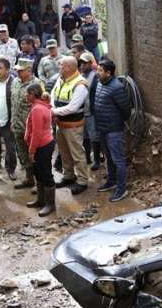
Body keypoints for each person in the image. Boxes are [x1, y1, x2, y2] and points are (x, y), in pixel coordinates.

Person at [51, 56, 90, 195]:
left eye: (61, 65)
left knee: (77, 153)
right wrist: (53, 109)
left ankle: (82, 181)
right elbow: (53, 95)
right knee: (64, 152)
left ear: (69, 67)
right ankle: (68, 176)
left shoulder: (80, 84)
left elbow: (73, 107)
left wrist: (53, 112)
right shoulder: (61, 79)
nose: (59, 68)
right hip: (60, 124)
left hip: (73, 126)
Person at [94, 59, 130, 202]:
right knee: (109, 158)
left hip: (114, 130)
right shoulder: (100, 83)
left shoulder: (117, 87)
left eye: (100, 71)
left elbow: (126, 109)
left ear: (108, 73)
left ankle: (121, 189)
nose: (97, 73)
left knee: (118, 160)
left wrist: (116, 122)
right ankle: (111, 181)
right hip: (103, 129)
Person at [11, 58, 44, 189]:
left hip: (31, 127)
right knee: (23, 154)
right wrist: (12, 121)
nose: (18, 72)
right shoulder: (15, 82)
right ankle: (29, 178)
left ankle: (39, 182)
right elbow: (13, 103)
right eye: (17, 70)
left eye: (21, 70)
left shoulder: (38, 84)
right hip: (18, 126)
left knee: (35, 155)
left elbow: (41, 106)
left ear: (29, 70)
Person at [24, 83, 56, 216]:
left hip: (42, 145)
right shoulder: (41, 105)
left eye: (27, 93)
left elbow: (36, 132)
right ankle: (40, 200)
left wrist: (31, 151)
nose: (25, 96)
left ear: (33, 94)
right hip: (43, 143)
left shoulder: (37, 108)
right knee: (38, 172)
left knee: (45, 173)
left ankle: (50, 204)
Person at [78, 52, 103, 171]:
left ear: (90, 63)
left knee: (94, 136)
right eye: (81, 63)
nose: (82, 65)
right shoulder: (79, 76)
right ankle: (87, 157)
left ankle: (97, 160)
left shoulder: (95, 76)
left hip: (92, 111)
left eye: (85, 63)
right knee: (85, 136)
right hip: (82, 110)